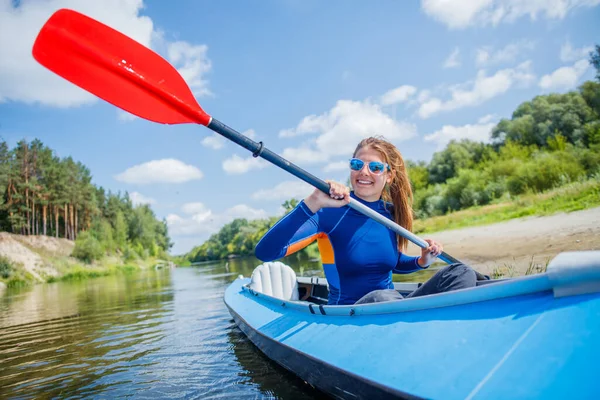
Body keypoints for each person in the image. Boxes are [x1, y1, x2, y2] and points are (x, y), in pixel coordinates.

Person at [255, 136, 477, 305]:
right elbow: (266, 252)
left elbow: (392, 262)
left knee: (460, 272)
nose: (364, 172)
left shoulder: (391, 214)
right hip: (348, 314)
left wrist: (422, 262)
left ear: (388, 176)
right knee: (383, 297)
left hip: (390, 305)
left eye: (375, 167)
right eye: (357, 165)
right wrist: (313, 202)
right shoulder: (328, 213)